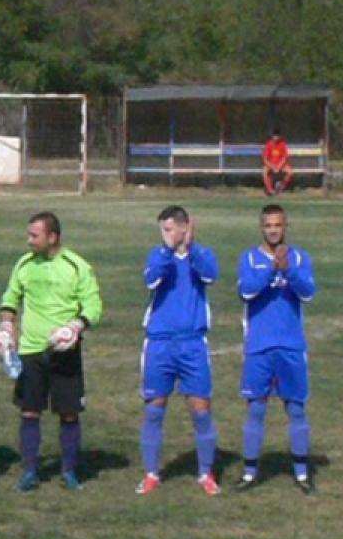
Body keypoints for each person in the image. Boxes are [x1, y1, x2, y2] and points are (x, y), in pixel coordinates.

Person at [0, 211, 102, 492]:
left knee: (69, 413)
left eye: (34, 235)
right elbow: (10, 298)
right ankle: (30, 471)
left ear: (52, 237)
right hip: (30, 351)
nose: (29, 240)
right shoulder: (24, 264)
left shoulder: (76, 266)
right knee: (29, 411)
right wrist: (6, 325)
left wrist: (75, 326)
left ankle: (69, 472)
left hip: (65, 353)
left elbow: (93, 305)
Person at [136, 206, 220, 496]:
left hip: (193, 344)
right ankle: (151, 474)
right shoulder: (157, 255)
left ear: (186, 227)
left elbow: (210, 275)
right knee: (154, 409)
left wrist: (191, 249)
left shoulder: (202, 255)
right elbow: (151, 279)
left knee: (201, 411)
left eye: (170, 229)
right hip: (159, 343)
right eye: (162, 230)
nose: (165, 235)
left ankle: (206, 473)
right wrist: (167, 251)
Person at [234, 204, 317, 494]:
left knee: (296, 408)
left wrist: (288, 271)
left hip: (291, 346)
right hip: (259, 346)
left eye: (278, 225)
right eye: (268, 225)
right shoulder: (249, 258)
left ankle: (302, 473)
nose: (273, 230)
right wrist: (272, 269)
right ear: (261, 227)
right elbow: (246, 291)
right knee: (256, 408)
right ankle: (249, 473)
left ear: (286, 226)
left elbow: (308, 292)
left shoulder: (300, 258)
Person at [261, 129, 293, 196]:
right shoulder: (268, 144)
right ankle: (270, 190)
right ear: (272, 136)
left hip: (281, 165)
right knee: (264, 172)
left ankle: (281, 187)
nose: (276, 137)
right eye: (275, 136)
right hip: (271, 165)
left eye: (278, 136)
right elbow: (265, 159)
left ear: (280, 136)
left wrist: (279, 166)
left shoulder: (283, 144)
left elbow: (285, 158)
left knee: (290, 172)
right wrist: (272, 167)